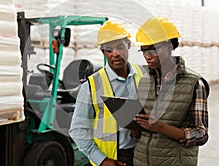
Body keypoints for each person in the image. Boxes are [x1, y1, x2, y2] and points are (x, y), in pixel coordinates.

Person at [133, 16, 210, 166]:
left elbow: (201, 134)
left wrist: (161, 127)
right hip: (142, 161)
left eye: (153, 49)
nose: (147, 56)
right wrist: (134, 126)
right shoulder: (144, 80)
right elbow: (141, 128)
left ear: (169, 46)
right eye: (143, 51)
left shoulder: (194, 83)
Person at [69, 21, 145, 166]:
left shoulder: (144, 75)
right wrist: (102, 160)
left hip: (143, 153)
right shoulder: (91, 86)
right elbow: (78, 130)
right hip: (114, 158)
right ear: (103, 51)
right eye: (109, 50)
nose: (115, 54)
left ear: (128, 45)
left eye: (120, 47)